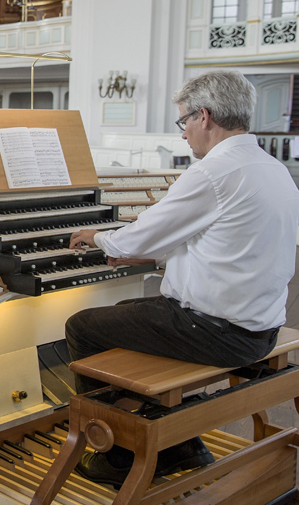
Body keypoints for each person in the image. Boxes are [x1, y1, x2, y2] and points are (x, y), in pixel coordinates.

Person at [65, 69, 299, 487]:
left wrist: (101, 238)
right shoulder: (271, 167)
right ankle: (176, 439)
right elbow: (221, 246)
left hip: (219, 332)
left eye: (184, 121)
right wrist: (142, 255)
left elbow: (145, 232)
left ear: (203, 116)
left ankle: (119, 454)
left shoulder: (213, 171)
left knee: (82, 327)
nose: (184, 133)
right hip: (260, 324)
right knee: (123, 314)